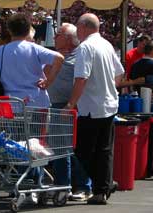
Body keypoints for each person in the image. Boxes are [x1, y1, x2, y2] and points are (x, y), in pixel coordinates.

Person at [64, 13, 124, 205]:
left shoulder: (85, 48)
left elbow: (81, 78)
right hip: (108, 103)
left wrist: (70, 104)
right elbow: (119, 73)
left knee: (83, 150)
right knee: (104, 149)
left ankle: (102, 185)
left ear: (83, 27)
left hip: (91, 106)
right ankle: (103, 185)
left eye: (78, 28)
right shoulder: (106, 45)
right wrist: (108, 87)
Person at [48, 23, 93, 201]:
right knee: (60, 149)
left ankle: (81, 185)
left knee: (70, 149)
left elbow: (82, 80)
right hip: (58, 105)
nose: (54, 38)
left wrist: (71, 103)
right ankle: (63, 184)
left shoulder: (78, 55)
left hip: (69, 107)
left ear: (67, 38)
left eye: (57, 34)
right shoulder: (59, 56)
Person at [0, 13, 64, 107]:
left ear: (9, 30)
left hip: (12, 105)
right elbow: (59, 58)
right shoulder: (34, 48)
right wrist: (48, 81)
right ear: (27, 30)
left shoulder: (1, 51)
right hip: (38, 103)